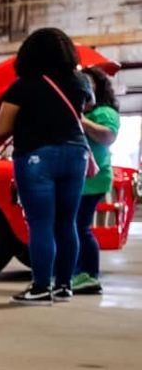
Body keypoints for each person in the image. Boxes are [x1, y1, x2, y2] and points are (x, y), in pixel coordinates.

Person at [0, 27, 92, 304]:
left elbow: (2, 128)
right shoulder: (81, 83)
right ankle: (64, 286)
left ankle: (40, 288)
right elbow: (80, 113)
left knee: (40, 224)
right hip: (76, 155)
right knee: (67, 222)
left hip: (37, 156)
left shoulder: (23, 86)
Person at [70, 68, 122, 295]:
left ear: (98, 87)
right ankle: (79, 272)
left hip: (94, 179)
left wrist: (81, 120)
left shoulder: (105, 112)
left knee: (81, 226)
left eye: (88, 83)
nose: (85, 86)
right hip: (79, 179)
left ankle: (89, 275)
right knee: (75, 226)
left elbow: (108, 136)